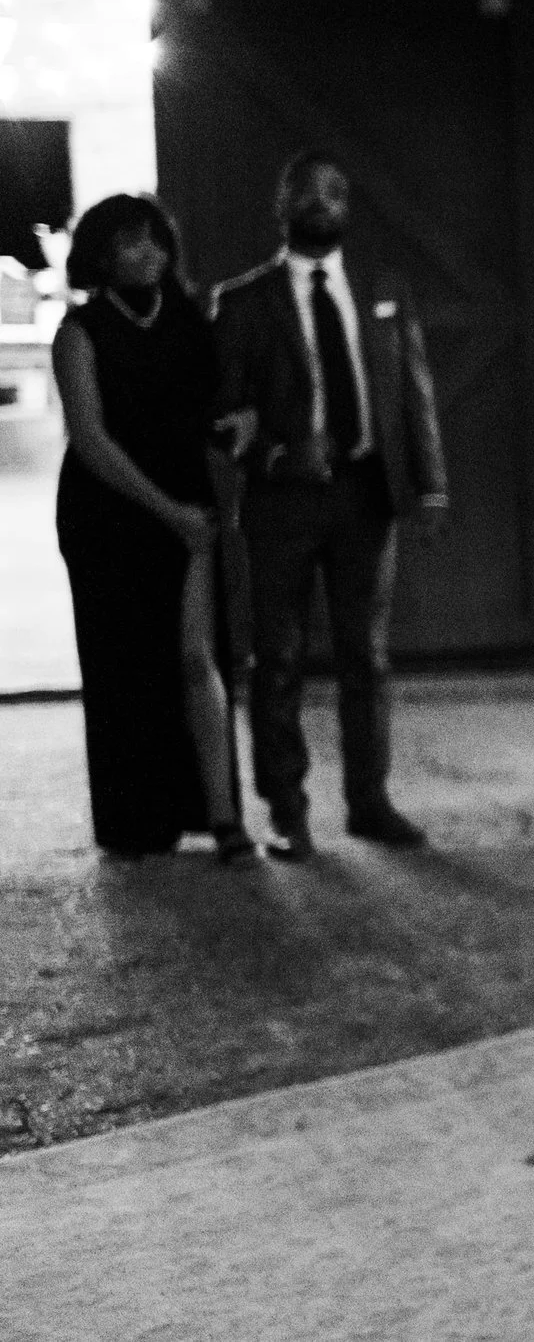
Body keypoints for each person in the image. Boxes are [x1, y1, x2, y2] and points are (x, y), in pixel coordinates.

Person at [210, 152, 449, 859]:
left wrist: (430, 483)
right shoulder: (242, 300)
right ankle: (287, 811)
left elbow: (414, 392)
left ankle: (370, 805)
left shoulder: (383, 287)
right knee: (277, 658)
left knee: (366, 658)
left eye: (334, 192)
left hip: (366, 497)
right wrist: (280, 453)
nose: (320, 202)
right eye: (304, 192)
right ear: (280, 205)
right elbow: (223, 413)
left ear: (348, 207)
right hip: (280, 502)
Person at [51, 195, 255, 862]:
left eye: (155, 240)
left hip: (188, 507)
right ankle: (136, 823)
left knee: (198, 658)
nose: (147, 253)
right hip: (108, 511)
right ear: (101, 253)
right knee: (123, 666)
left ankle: (223, 817)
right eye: (130, 242)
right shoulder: (79, 330)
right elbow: (89, 438)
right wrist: (166, 510)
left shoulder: (190, 319)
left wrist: (241, 426)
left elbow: (217, 406)